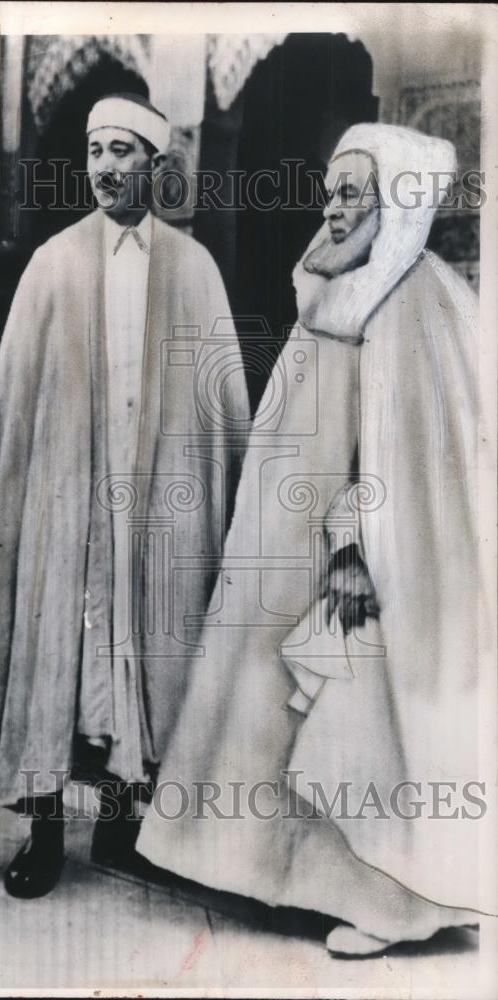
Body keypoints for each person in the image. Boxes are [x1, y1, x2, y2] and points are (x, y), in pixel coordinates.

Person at [136, 123, 491, 956]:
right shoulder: (333, 283)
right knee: (271, 708)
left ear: (395, 201)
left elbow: (402, 452)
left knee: (357, 715)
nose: (332, 211)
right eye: (328, 193)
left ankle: (390, 901)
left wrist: (353, 547)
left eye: (351, 195)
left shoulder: (413, 299)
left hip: (354, 556)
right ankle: (279, 875)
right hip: (290, 541)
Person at [0, 93, 249, 897]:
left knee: (148, 655)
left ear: (157, 167)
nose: (105, 168)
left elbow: (221, 408)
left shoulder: (193, 270)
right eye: (95, 152)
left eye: (123, 151)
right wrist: (4, 498)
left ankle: (122, 832)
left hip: (158, 506)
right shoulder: (51, 262)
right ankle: (46, 834)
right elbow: (12, 401)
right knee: (56, 655)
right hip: (67, 502)